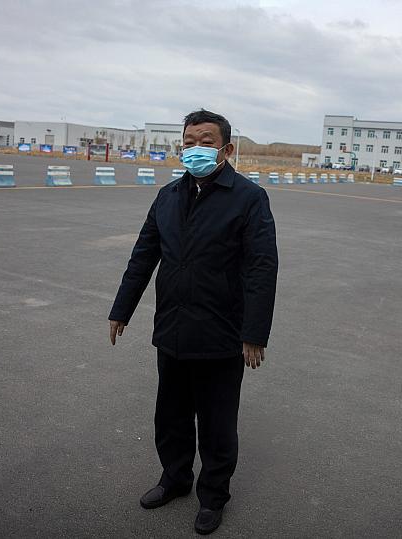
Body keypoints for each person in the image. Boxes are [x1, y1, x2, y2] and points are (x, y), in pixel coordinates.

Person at [108, 109, 278, 535]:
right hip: (172, 327)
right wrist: (121, 309)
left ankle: (214, 496)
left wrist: (254, 333)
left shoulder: (248, 198)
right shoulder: (168, 196)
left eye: (206, 142)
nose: (195, 149)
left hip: (222, 332)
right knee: (171, 415)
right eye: (188, 142)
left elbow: (261, 267)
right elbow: (144, 254)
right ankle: (175, 478)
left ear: (226, 149)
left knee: (217, 423)